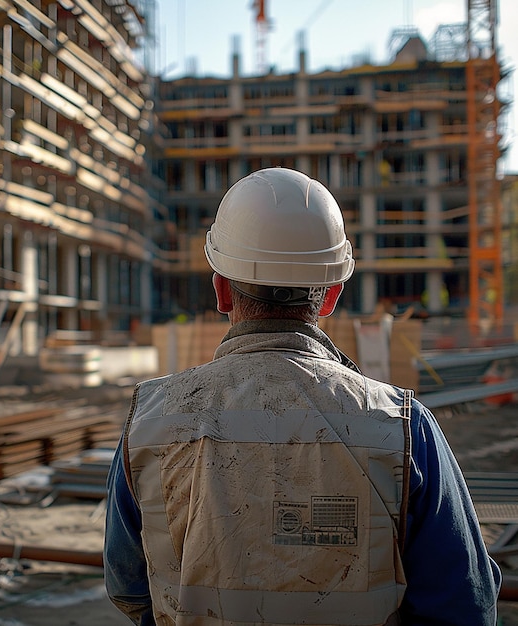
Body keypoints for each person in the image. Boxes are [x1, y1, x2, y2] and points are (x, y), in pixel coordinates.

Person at [104, 167, 501, 625]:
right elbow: (465, 606)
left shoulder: (151, 420)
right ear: (331, 296)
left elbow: (128, 588)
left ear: (220, 290)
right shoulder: (403, 427)